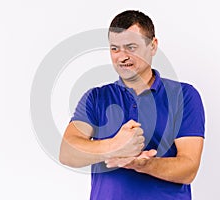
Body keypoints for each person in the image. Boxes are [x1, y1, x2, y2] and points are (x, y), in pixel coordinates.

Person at [59, 10, 205, 200]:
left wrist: (143, 165)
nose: (122, 57)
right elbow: (67, 153)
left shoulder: (183, 95)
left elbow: (189, 169)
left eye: (131, 47)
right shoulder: (96, 97)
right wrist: (114, 146)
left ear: (152, 46)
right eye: (115, 49)